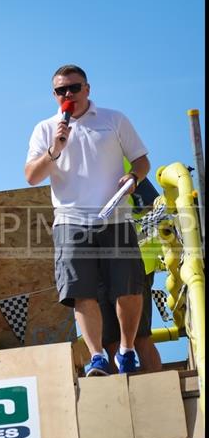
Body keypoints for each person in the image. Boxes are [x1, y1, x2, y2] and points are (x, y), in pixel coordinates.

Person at [25, 64, 150, 376]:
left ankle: (127, 349)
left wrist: (134, 177)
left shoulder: (114, 119)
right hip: (70, 220)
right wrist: (54, 150)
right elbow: (31, 176)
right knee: (82, 292)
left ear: (87, 89)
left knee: (129, 287)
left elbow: (142, 160)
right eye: (61, 90)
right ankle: (97, 357)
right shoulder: (45, 129)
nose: (68, 95)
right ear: (54, 95)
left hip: (116, 215)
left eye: (74, 88)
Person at [98, 175, 164, 373]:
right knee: (110, 342)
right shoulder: (70, 166)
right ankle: (120, 400)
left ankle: (159, 393)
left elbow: (152, 208)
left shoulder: (124, 163)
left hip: (135, 261)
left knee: (140, 338)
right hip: (99, 264)